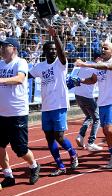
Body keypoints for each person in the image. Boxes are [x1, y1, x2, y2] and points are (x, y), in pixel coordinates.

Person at [29, 27, 78, 176]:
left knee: (59, 136)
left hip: (59, 105)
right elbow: (26, 75)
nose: (52, 51)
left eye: (54, 49)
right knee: (49, 137)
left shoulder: (60, 63)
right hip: (46, 107)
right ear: (44, 52)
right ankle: (60, 165)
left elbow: (62, 54)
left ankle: (73, 154)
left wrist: (55, 37)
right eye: (49, 49)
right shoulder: (39, 67)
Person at [75, 42, 112, 169]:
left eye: (105, 48)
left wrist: (84, 64)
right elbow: (92, 80)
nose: (102, 49)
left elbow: (107, 66)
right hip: (102, 101)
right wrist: (79, 80)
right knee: (105, 131)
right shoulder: (99, 66)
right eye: (102, 48)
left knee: (109, 128)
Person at [0, 37, 40, 187]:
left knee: (20, 149)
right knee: (0, 147)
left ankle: (34, 166)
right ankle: (8, 176)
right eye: (1, 46)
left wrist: (1, 80)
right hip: (1, 114)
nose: (2, 49)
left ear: (15, 49)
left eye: (6, 46)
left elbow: (20, 78)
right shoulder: (0, 64)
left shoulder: (20, 62)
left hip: (17, 113)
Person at [74, 51, 102, 152]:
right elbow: (93, 80)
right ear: (98, 58)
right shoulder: (94, 67)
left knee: (89, 116)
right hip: (87, 96)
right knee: (97, 118)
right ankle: (91, 142)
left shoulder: (84, 65)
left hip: (78, 95)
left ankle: (80, 136)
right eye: (101, 59)